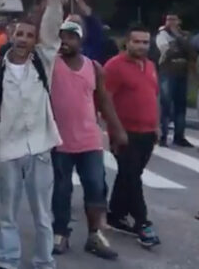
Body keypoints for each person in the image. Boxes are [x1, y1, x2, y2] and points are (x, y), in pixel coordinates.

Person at [0, 0, 63, 269]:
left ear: (36, 39)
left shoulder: (44, 60)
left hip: (40, 148)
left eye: (29, 35)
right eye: (20, 34)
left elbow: (54, 16)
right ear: (11, 36)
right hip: (9, 149)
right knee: (8, 214)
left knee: (42, 215)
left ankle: (44, 261)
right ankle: (7, 261)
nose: (24, 39)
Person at [49, 21, 128, 259]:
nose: (65, 41)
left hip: (89, 140)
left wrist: (117, 130)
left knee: (96, 187)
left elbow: (104, 101)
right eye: (62, 37)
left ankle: (95, 236)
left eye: (71, 37)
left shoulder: (94, 68)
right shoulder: (50, 64)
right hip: (59, 140)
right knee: (61, 190)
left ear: (81, 41)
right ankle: (60, 233)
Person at [103, 25, 162, 248]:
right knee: (132, 177)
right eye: (136, 41)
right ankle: (142, 222)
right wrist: (116, 130)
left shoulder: (150, 66)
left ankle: (116, 213)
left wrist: (156, 126)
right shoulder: (114, 66)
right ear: (126, 42)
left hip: (147, 132)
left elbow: (154, 96)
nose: (141, 46)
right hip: (125, 132)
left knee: (130, 174)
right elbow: (105, 99)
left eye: (145, 42)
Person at [155, 13, 196, 147]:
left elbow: (192, 52)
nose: (171, 22)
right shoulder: (162, 34)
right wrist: (181, 44)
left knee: (181, 106)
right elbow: (167, 51)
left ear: (179, 21)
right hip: (167, 73)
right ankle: (163, 136)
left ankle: (179, 136)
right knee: (166, 104)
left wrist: (178, 38)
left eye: (173, 19)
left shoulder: (185, 35)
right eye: (168, 19)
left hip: (182, 73)